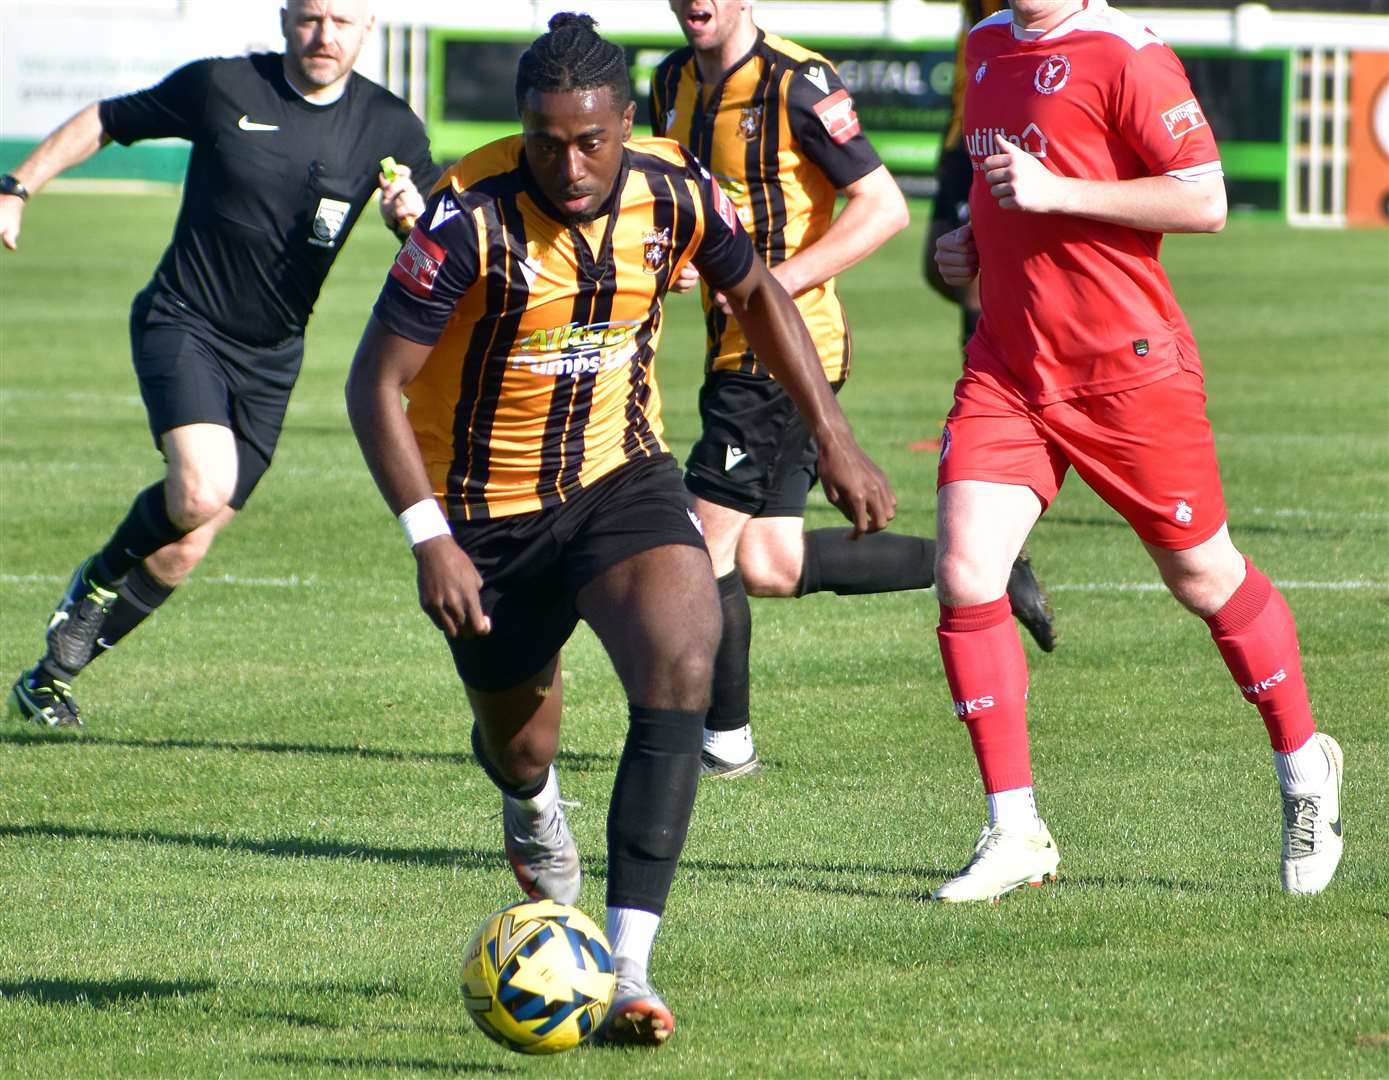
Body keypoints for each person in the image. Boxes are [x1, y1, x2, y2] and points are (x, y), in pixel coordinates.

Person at [345, 12, 894, 1046]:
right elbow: (374, 385)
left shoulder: (675, 186)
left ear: (623, 122)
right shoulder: (465, 218)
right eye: (548, 140)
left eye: (591, 139)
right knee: (521, 745)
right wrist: (429, 537)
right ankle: (531, 806)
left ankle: (630, 968)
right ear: (523, 128)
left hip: (618, 481)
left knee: (684, 655)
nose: (572, 162)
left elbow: (759, 293)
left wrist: (832, 435)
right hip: (484, 520)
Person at [929, 0, 1343, 902]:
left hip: (1126, 369)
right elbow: (993, 194)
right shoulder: (986, 44)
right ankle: (1013, 828)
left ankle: (1305, 766)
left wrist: (1055, 193)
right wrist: (968, 244)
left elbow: (1206, 199)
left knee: (1202, 578)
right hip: (1008, 363)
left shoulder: (1128, 54)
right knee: (965, 573)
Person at [4, 0, 436, 729]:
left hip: (273, 358)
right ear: (283, 18)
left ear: (368, 26)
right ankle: (98, 579)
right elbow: (107, 119)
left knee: (185, 546)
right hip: (185, 321)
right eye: (308, 17)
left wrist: (410, 221)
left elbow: (437, 242)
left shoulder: (389, 126)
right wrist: (16, 187)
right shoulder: (224, 86)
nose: (322, 35)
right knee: (200, 492)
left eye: (340, 20)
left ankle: (50, 677)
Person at [652, 0, 1055, 780]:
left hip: (785, 352)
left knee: (702, 546)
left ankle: (723, 744)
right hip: (729, 347)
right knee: (765, 560)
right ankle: (988, 567)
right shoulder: (671, 81)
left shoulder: (797, 82)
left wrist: (773, 285)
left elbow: (884, 206)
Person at [922, 0, 1006, 351]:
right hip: (961, 136)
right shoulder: (975, 13)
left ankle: (981, 376)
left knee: (974, 266)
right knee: (937, 268)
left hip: (995, 135)